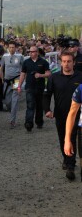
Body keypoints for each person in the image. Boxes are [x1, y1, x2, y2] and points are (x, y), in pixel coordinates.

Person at [43, 51, 82, 181]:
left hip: (77, 114)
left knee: (72, 137)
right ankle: (66, 159)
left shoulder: (80, 77)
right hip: (60, 114)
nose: (66, 64)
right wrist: (47, 109)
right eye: (64, 61)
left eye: (69, 61)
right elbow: (47, 94)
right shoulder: (54, 77)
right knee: (63, 138)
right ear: (60, 62)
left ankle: (71, 165)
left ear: (74, 63)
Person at [18, 46, 51, 132]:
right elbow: (22, 74)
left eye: (33, 51)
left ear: (37, 52)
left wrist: (40, 75)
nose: (31, 53)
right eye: (30, 51)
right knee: (30, 105)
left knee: (39, 106)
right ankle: (28, 124)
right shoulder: (26, 62)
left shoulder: (44, 62)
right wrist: (19, 86)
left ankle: (39, 122)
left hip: (40, 88)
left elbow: (48, 73)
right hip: (29, 87)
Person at [0, 41, 24, 128]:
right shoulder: (4, 57)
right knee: (7, 101)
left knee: (14, 100)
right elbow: (1, 68)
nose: (11, 49)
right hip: (7, 81)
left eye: (13, 47)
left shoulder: (20, 56)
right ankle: (11, 111)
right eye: (10, 47)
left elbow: (24, 70)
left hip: (16, 80)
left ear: (16, 48)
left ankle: (12, 120)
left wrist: (22, 81)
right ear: (8, 48)